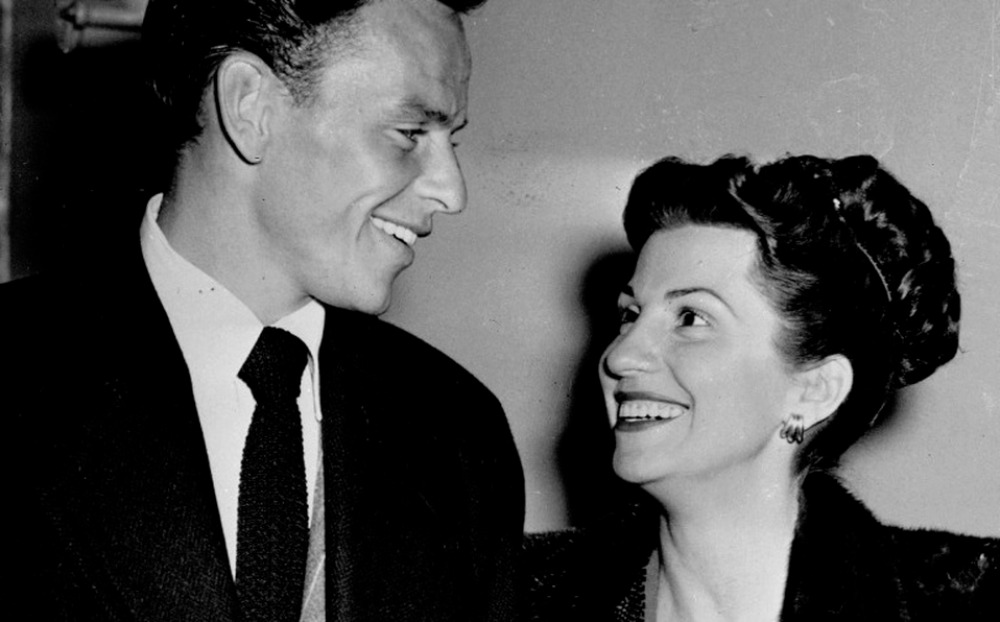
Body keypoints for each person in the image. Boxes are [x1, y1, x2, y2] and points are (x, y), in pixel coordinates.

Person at [4, 1, 524, 621]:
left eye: (451, 140)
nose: (452, 191)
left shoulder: (460, 434)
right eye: (410, 133)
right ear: (249, 105)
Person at [522, 154, 998, 621]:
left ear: (814, 390)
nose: (620, 355)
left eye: (690, 318)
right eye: (630, 315)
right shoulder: (513, 590)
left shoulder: (964, 601)